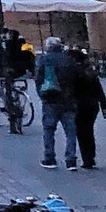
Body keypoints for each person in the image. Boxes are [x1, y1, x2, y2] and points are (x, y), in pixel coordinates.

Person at [37, 36, 73, 168]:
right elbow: (75, 78)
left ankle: (50, 157)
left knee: (49, 129)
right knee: (70, 132)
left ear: (48, 46)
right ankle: (71, 160)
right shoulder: (68, 59)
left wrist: (42, 95)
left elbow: (38, 79)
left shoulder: (44, 59)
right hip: (68, 100)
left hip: (50, 98)